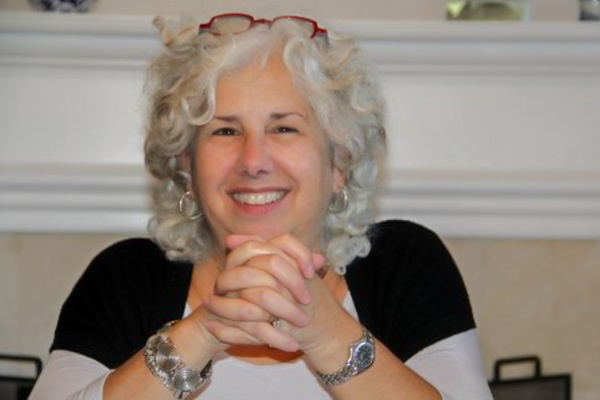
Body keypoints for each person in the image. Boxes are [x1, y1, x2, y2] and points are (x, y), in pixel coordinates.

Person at [30, 13, 493, 400]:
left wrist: (327, 332)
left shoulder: (404, 265)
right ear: (188, 166)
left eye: (284, 128)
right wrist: (201, 333)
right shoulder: (126, 278)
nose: (253, 161)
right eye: (225, 131)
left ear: (338, 162)